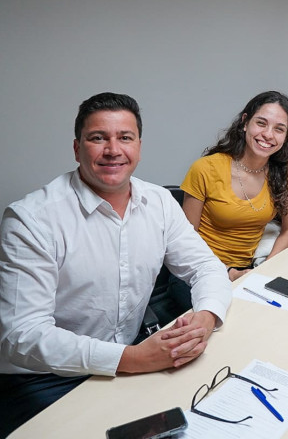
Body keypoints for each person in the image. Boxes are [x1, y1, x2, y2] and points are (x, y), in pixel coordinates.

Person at [0, 93, 232, 436]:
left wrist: (205, 317)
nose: (113, 150)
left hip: (133, 352)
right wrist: (133, 360)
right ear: (77, 149)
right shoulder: (32, 219)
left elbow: (205, 268)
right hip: (46, 377)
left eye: (124, 137)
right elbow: (22, 337)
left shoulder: (159, 203)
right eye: (98, 138)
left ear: (138, 145)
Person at [181, 91, 288, 282]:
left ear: (286, 136)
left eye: (279, 129)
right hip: (198, 269)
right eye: (261, 123)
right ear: (245, 122)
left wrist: (265, 271)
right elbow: (186, 244)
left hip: (248, 268)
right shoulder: (205, 169)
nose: (268, 135)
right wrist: (229, 273)